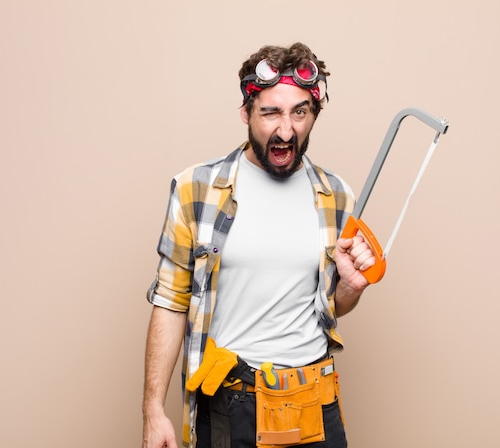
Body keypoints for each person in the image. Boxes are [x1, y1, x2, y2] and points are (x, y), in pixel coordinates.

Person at [142, 42, 376, 448]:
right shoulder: (195, 189)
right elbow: (170, 302)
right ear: (245, 113)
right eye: (270, 112)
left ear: (314, 114)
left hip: (315, 402)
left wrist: (349, 288)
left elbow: (331, 305)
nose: (286, 130)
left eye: (299, 112)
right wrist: (153, 411)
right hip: (233, 406)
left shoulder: (337, 196)